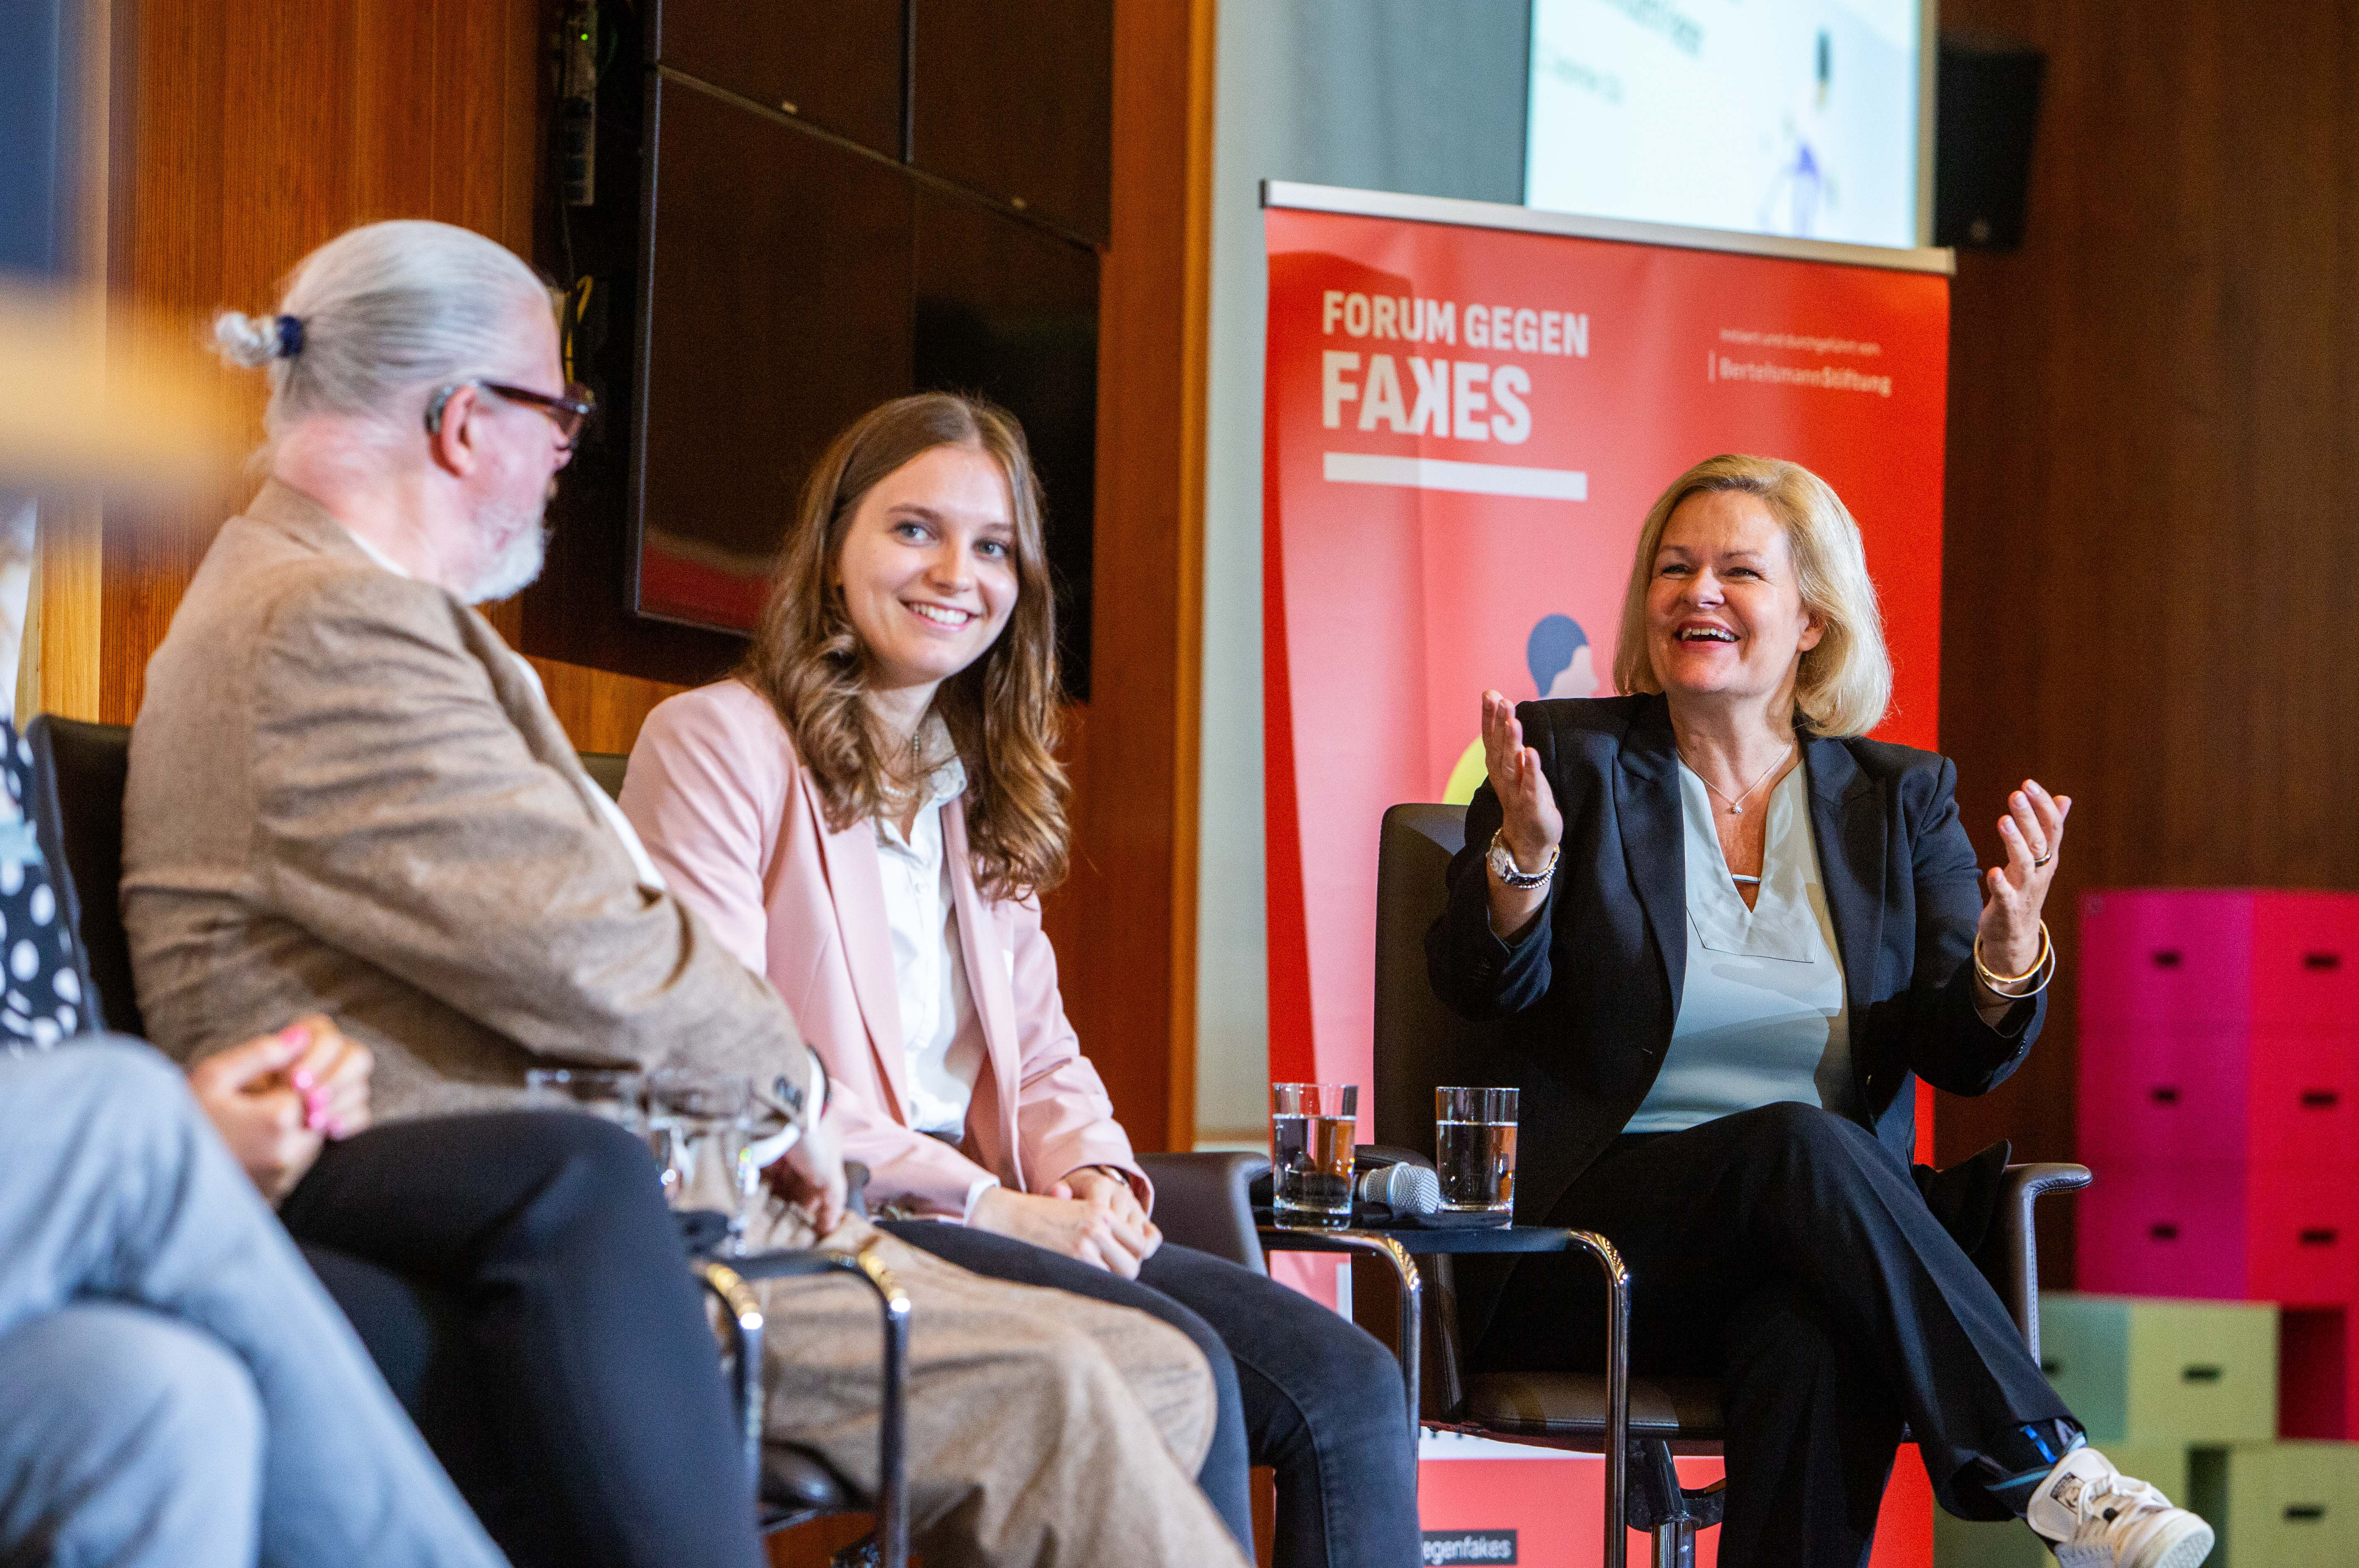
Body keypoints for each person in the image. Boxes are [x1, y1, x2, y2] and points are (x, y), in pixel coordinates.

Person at [121, 218, 1248, 1568]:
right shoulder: (323, 620)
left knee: (1165, 1370)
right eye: (559, 412)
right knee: (1077, 1389)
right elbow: (597, 952)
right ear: (465, 422)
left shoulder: (346, 606)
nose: (563, 454)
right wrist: (787, 1094)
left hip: (640, 1207)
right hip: (522, 1233)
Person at [618, 392, 1421, 1568]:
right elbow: (729, 1062)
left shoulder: (974, 779)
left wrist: (1092, 1169)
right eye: (914, 530)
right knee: (1168, 1367)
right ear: (833, 546)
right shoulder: (717, 744)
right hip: (837, 1217)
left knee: (1349, 1380)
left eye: (993, 546)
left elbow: (1039, 1049)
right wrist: (988, 1201)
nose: (957, 571)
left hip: (1004, 1210)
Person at [1424, 454, 2211, 1568]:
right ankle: (2051, 1467)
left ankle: (2048, 1470)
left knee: (1814, 1335)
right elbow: (1472, 983)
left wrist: (2002, 957)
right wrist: (1526, 862)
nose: (1697, 591)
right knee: (1801, 1142)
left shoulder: (1900, 798)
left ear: (1811, 622)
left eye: (1739, 570)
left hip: (1815, 1245)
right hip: (1596, 1253)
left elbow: (1958, 1053)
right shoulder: (1571, 761)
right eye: (1674, 567)